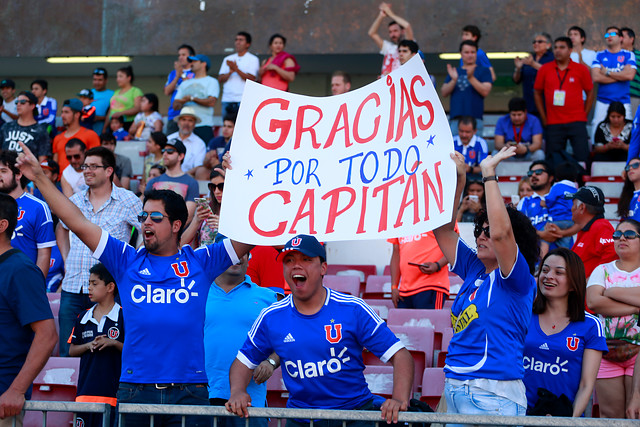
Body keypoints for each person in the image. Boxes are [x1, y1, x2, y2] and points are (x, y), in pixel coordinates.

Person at [17, 140, 254, 427]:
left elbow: (254, 232)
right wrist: (40, 178)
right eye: (143, 217)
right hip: (134, 389)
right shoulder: (125, 260)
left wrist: (240, 180)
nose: (146, 224)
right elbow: (76, 221)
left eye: (155, 217)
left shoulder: (202, 262)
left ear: (177, 225)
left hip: (190, 391)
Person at [225, 234, 414, 424]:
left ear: (323, 267)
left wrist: (398, 399)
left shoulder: (353, 309)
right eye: (289, 261)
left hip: (354, 416)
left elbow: (401, 356)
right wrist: (237, 392)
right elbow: (242, 362)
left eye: (306, 260)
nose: (296, 266)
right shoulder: (270, 316)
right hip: (300, 418)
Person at [433, 146, 539, 420]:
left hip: (494, 396)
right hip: (455, 388)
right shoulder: (474, 269)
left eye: (487, 232)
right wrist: (460, 180)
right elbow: (443, 229)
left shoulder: (518, 278)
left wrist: (489, 175)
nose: (480, 236)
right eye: (479, 230)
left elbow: (504, 235)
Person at [56, 146, 141, 358]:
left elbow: (146, 230)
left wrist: (134, 259)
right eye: (85, 166)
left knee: (112, 352)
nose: (87, 170)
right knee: (69, 353)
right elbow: (61, 228)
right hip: (74, 285)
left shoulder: (128, 200)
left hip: (111, 288)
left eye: (94, 166)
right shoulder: (74, 201)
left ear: (109, 171)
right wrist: (66, 259)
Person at [523, 248, 606, 416]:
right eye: (544, 270)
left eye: (558, 272)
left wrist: (568, 421)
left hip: (565, 418)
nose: (548, 276)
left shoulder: (591, 325)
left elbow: (586, 385)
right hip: (519, 415)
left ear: (573, 283)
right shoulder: (523, 315)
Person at [0, 192, 57, 426]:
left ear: (2, 225)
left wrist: (16, 390)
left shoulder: (20, 269)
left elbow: (47, 335)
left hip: (3, 399)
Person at [205, 253, 279, 427]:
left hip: (250, 402)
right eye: (229, 252)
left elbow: (287, 338)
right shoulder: (195, 294)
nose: (236, 258)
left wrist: (271, 362)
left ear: (249, 257)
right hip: (200, 398)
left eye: (241, 253)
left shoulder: (269, 297)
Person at [586, 219, 640, 419]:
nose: (622, 238)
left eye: (629, 235)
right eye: (617, 235)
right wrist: (635, 307)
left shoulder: (604, 276)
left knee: (636, 416)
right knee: (611, 417)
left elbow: (601, 299)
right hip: (606, 352)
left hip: (639, 354)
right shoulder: (602, 269)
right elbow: (593, 302)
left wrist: (612, 291)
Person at [68, 263, 123, 427]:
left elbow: (133, 350)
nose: (89, 288)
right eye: (89, 283)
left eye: (94, 284)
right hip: (85, 395)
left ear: (110, 287)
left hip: (114, 395)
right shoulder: (83, 317)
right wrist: (88, 345)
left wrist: (113, 343)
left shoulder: (123, 316)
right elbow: (72, 350)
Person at [534, 36, 594, 165]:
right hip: (553, 122)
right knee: (553, 161)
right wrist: (544, 117)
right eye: (555, 47)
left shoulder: (581, 69)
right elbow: (537, 92)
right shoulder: (545, 69)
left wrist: (585, 114)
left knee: (582, 158)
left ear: (570, 50)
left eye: (562, 47)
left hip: (577, 121)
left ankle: (582, 184)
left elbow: (590, 92)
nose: (557, 51)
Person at [0, 150, 55, 277]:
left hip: (23, 280)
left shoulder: (38, 207)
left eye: (3, 171)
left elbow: (44, 253)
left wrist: (35, 285)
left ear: (18, 174)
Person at [389, 229, 452, 309]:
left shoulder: (440, 216)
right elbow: (396, 252)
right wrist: (394, 287)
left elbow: (455, 246)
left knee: (429, 321)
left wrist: (437, 265)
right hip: (404, 291)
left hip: (431, 286)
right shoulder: (398, 220)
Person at [591, 26, 637, 135]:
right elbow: (596, 77)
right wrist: (620, 76)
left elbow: (630, 76)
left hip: (623, 100)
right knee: (596, 130)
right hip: (603, 100)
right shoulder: (599, 55)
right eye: (607, 35)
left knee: (627, 133)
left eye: (612, 34)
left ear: (621, 38)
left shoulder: (628, 54)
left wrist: (607, 72)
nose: (609, 37)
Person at [564, 186, 617, 278]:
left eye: (573, 204)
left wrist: (592, 283)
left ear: (581, 207)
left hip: (588, 290)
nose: (571, 209)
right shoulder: (588, 228)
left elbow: (611, 259)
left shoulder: (601, 226)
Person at [441, 40, 492, 136]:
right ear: (461, 53)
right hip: (455, 119)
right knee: (454, 150)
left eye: (473, 52)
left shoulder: (484, 71)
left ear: (476, 53)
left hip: (475, 120)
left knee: (475, 150)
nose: (470, 55)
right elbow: (444, 92)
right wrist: (453, 80)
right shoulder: (455, 71)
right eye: (466, 52)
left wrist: (471, 78)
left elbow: (485, 91)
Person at [145, 139, 199, 222]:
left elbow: (188, 216)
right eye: (163, 151)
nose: (165, 154)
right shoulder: (153, 181)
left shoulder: (191, 183)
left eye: (170, 151)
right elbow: (145, 210)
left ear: (181, 156)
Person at [172, 54, 219, 143]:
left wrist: (192, 99)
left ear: (204, 64)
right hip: (185, 127)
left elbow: (211, 102)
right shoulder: (185, 83)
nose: (191, 64)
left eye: (194, 61)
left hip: (204, 125)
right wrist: (183, 101)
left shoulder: (212, 81)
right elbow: (175, 105)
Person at [52, 98, 100, 172]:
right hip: (60, 181)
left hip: (84, 180)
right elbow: (54, 166)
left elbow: (97, 162)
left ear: (77, 115)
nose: (62, 115)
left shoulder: (90, 135)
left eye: (66, 112)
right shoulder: (57, 138)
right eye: (62, 112)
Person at [218, 31, 259, 117]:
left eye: (241, 40)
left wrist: (236, 69)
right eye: (236, 39)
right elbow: (220, 79)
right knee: (227, 127)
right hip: (227, 99)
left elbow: (251, 79)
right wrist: (230, 72)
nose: (237, 42)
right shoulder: (228, 59)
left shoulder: (253, 59)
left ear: (248, 44)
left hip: (243, 100)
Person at [1, 91, 51, 162]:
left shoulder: (40, 130)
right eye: (16, 102)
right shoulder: (6, 127)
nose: (18, 104)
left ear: (32, 105)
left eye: (22, 102)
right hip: (4, 171)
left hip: (27, 172)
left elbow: (42, 161)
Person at [513, 33, 554, 117]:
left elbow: (552, 73)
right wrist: (518, 69)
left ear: (548, 45)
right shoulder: (529, 58)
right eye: (534, 42)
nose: (536, 44)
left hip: (547, 105)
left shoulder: (553, 58)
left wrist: (533, 64)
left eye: (540, 41)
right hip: (529, 105)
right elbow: (516, 80)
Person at [181, 167, 224, 248]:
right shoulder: (207, 209)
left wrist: (225, 227)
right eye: (213, 187)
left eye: (221, 186)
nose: (216, 191)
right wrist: (196, 220)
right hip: (202, 259)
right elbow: (182, 244)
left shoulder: (239, 212)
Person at [367, 2, 413, 76]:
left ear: (402, 31)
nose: (392, 34)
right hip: (385, 85)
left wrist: (390, 14)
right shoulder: (388, 47)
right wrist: (381, 15)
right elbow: (372, 33)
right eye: (390, 32)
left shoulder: (409, 45)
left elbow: (407, 26)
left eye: (395, 31)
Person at [164, 44, 196, 135]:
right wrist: (177, 75)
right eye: (179, 55)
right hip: (174, 114)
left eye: (183, 55)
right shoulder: (173, 73)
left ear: (191, 57)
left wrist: (181, 74)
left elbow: (191, 89)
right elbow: (167, 91)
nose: (180, 57)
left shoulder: (196, 72)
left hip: (191, 115)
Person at [166, 107, 206, 174]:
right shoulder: (169, 139)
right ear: (178, 123)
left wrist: (182, 177)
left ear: (194, 125)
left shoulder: (199, 143)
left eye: (190, 120)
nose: (186, 123)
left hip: (188, 179)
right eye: (183, 119)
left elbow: (198, 167)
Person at [106, 66, 143, 131]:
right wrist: (105, 127)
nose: (117, 79)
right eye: (117, 77)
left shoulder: (135, 91)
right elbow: (111, 110)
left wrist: (121, 113)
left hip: (127, 124)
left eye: (120, 76)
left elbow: (138, 108)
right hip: (112, 125)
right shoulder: (116, 92)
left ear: (129, 78)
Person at [621, 27, 640, 116]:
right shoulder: (615, 55)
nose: (620, 39)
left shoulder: (639, 56)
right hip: (617, 96)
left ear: (631, 39)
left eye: (623, 37)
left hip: (634, 97)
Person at [90, 68, 115, 135]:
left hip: (105, 133)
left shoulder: (113, 94)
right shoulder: (88, 93)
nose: (97, 83)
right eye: (95, 80)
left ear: (106, 80)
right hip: (89, 132)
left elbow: (115, 115)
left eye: (100, 80)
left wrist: (100, 118)